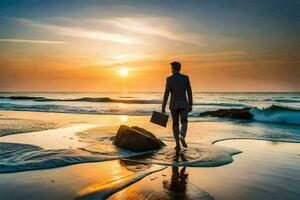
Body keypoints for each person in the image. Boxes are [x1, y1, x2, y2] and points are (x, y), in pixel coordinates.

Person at [162, 61, 193, 154]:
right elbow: (189, 92)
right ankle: (182, 135)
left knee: (175, 124)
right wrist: (190, 104)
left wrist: (163, 107)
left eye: (171, 68)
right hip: (184, 104)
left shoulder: (169, 79)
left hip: (174, 105)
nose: (171, 70)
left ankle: (177, 145)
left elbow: (166, 94)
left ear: (174, 68)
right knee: (184, 121)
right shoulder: (185, 78)